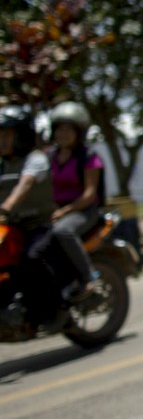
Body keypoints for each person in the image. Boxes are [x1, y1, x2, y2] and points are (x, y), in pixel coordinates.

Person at [0, 107, 61, 328]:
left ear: (21, 135)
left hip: (38, 225)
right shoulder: (3, 163)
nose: (2, 141)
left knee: (32, 257)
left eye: (7, 135)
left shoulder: (36, 159)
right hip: (12, 227)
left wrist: (5, 207)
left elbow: (24, 185)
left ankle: (52, 309)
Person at [46, 101, 102, 301]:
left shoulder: (88, 156)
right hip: (55, 210)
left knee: (63, 231)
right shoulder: (49, 156)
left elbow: (89, 194)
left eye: (69, 129)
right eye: (60, 129)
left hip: (83, 210)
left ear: (79, 132)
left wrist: (65, 211)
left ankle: (88, 277)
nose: (63, 134)